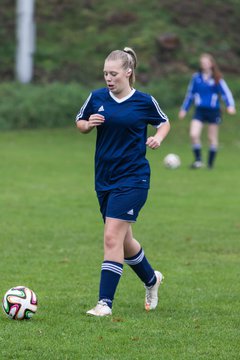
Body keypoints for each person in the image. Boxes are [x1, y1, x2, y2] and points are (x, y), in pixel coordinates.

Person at [75, 47, 170, 316]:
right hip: (104, 178)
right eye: (105, 73)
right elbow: (79, 123)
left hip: (134, 178)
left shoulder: (144, 101)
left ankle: (104, 303)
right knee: (124, 240)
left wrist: (158, 138)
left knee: (111, 236)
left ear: (128, 72)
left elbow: (163, 122)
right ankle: (152, 280)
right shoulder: (96, 98)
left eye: (113, 73)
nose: (109, 78)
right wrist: (88, 124)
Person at [178, 53, 236, 169]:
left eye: (206, 62)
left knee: (212, 138)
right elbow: (190, 94)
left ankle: (210, 164)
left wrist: (230, 105)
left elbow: (226, 93)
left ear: (211, 64)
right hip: (199, 110)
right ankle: (199, 161)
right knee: (194, 134)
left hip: (213, 111)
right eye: (202, 62)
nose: (204, 64)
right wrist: (184, 109)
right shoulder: (196, 78)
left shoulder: (216, 78)